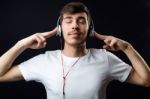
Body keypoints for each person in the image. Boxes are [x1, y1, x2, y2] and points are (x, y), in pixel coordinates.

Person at [0, 2, 150, 99]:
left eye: (81, 20)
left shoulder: (105, 58)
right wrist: (21, 44)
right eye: (68, 20)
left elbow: (146, 80)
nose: (75, 26)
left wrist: (127, 48)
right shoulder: (44, 61)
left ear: (90, 29)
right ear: (59, 29)